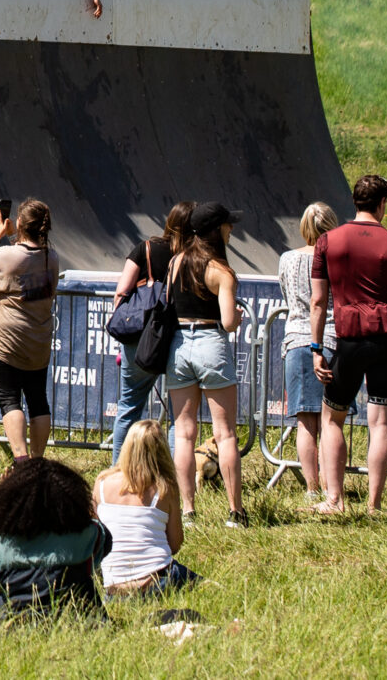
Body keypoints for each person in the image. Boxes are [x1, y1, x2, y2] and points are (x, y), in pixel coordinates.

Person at [310, 172, 387, 515]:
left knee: (331, 419)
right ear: (383, 204)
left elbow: (318, 302)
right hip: (386, 341)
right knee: (380, 423)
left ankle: (334, 499)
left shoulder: (328, 242)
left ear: (354, 202)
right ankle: (374, 504)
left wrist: (315, 348)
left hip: (349, 340)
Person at [166, 202, 246, 525]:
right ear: (216, 230)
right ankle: (235, 512)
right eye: (228, 225)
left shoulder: (175, 262)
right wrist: (238, 316)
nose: (232, 230)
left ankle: (187, 511)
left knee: (184, 433)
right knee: (225, 434)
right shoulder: (221, 271)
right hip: (210, 343)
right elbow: (228, 322)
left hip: (179, 346)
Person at [0, 455, 110, 626]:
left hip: (15, 628)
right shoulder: (87, 536)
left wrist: (3, 513)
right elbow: (104, 541)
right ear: (71, 499)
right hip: (82, 625)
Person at [0, 199, 63, 462]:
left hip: (7, 342)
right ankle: (37, 459)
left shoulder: (8, 255)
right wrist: (18, 234)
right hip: (37, 340)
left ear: (21, 225)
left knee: (9, 398)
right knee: (38, 399)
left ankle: (21, 459)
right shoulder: (52, 258)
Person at [107, 204, 189, 469]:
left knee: (129, 407)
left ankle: (119, 471)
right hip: (178, 339)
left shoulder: (145, 249)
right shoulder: (193, 256)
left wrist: (122, 323)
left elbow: (121, 292)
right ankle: (176, 477)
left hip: (140, 340)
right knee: (179, 416)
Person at [277, 201, 340, 504]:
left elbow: (287, 295)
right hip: (331, 338)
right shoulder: (338, 258)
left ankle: (312, 487)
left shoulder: (287, 259)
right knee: (330, 420)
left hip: (296, 338)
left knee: (305, 422)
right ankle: (331, 486)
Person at [96, 420, 195, 597]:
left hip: (113, 586)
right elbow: (175, 543)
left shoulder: (102, 482)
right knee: (209, 586)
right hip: (156, 579)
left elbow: (94, 534)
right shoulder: (165, 488)